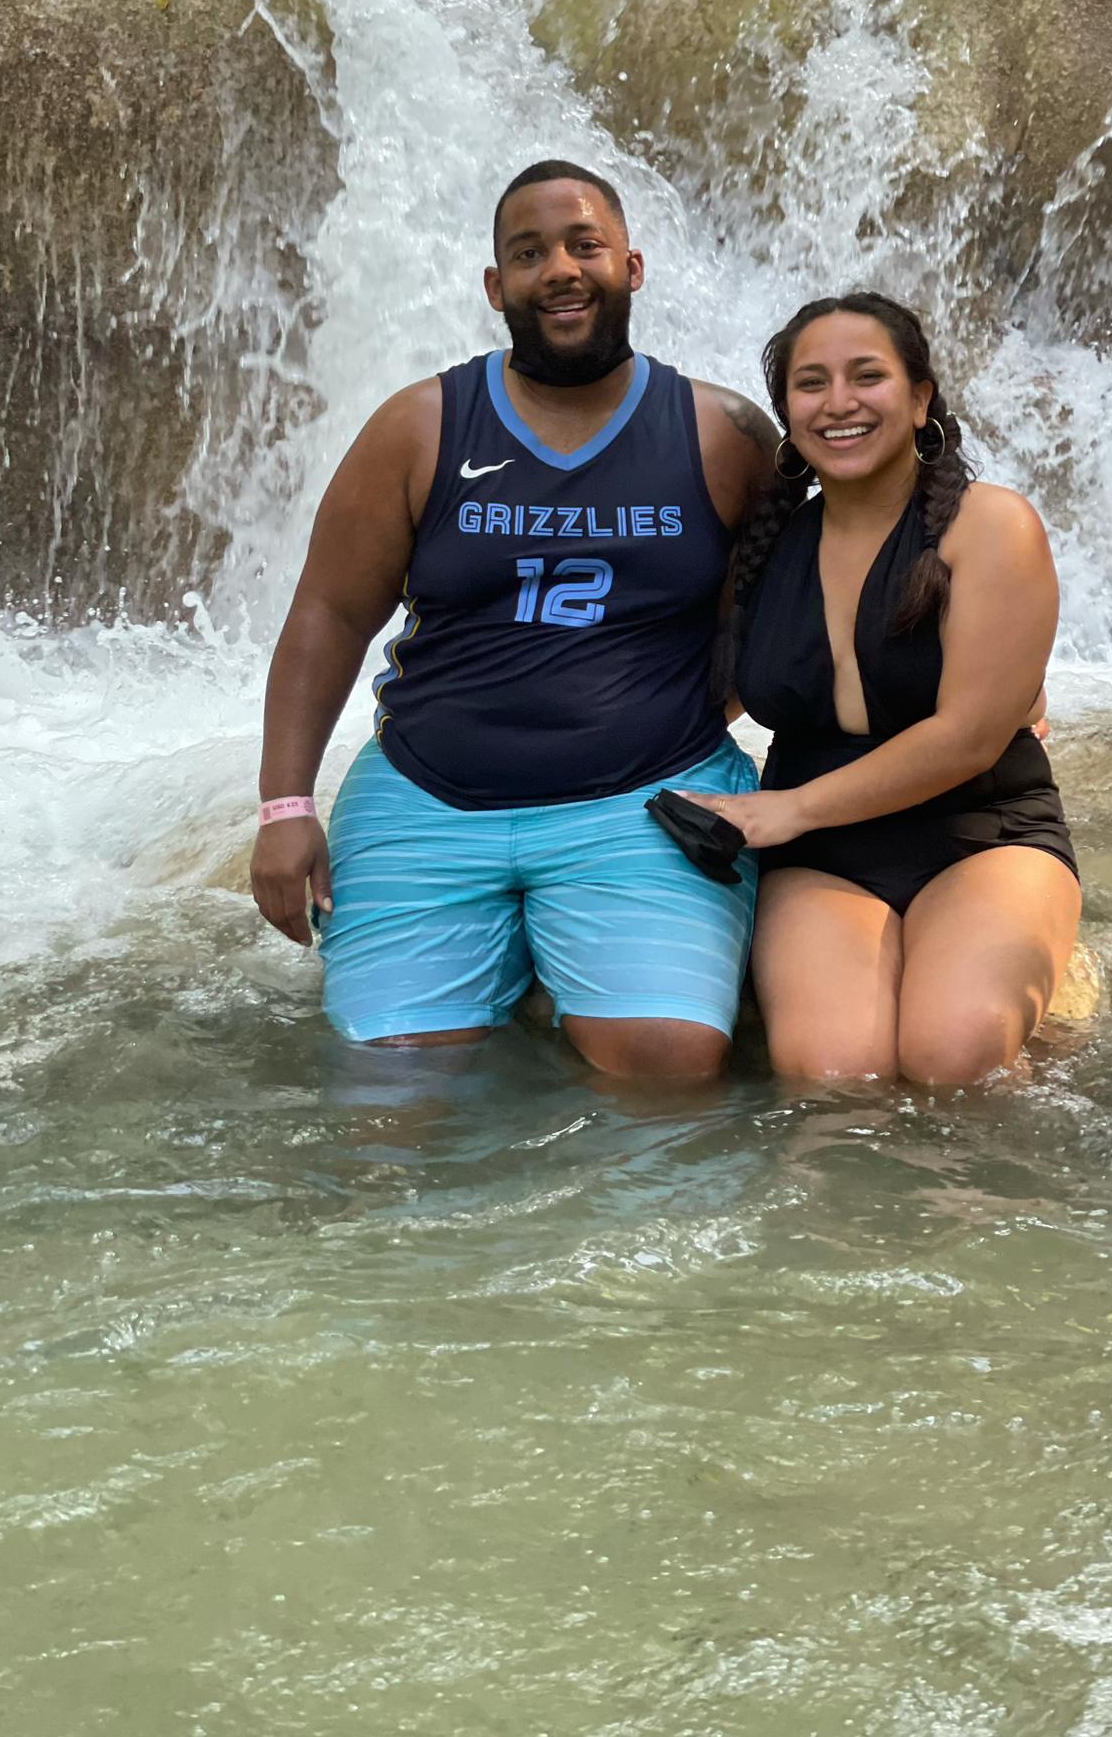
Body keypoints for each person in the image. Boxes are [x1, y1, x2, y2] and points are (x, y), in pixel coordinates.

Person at [250, 160, 777, 1078]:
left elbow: (798, 603)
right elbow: (328, 615)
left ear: (634, 266)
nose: (561, 270)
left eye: (585, 246)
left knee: (670, 1063)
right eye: (529, 254)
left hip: (644, 802)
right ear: (497, 286)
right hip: (427, 801)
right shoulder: (419, 427)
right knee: (392, 1087)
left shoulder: (721, 434)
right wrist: (285, 806)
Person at [679, 291, 1080, 1086]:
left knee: (956, 1055)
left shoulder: (990, 527)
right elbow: (708, 696)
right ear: (787, 411)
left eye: (868, 376)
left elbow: (967, 736)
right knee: (833, 1075)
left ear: (921, 396)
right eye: (811, 384)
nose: (839, 404)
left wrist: (785, 809)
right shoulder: (765, 549)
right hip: (822, 857)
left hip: (980, 830)